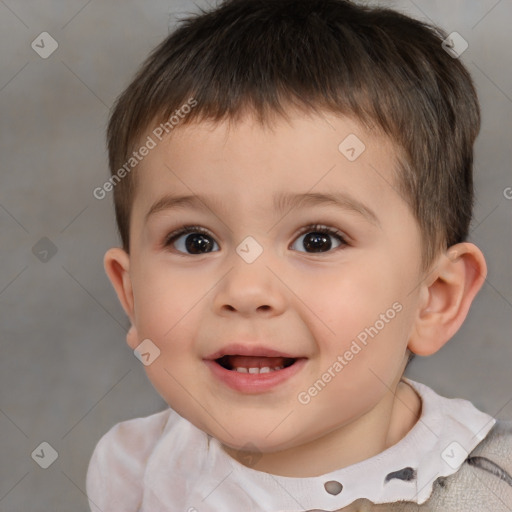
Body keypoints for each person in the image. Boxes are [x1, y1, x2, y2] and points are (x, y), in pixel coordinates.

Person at [86, 0, 512, 509]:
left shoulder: (487, 491)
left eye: (318, 240)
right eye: (195, 241)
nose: (246, 291)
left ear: (433, 300)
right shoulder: (132, 470)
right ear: (131, 295)